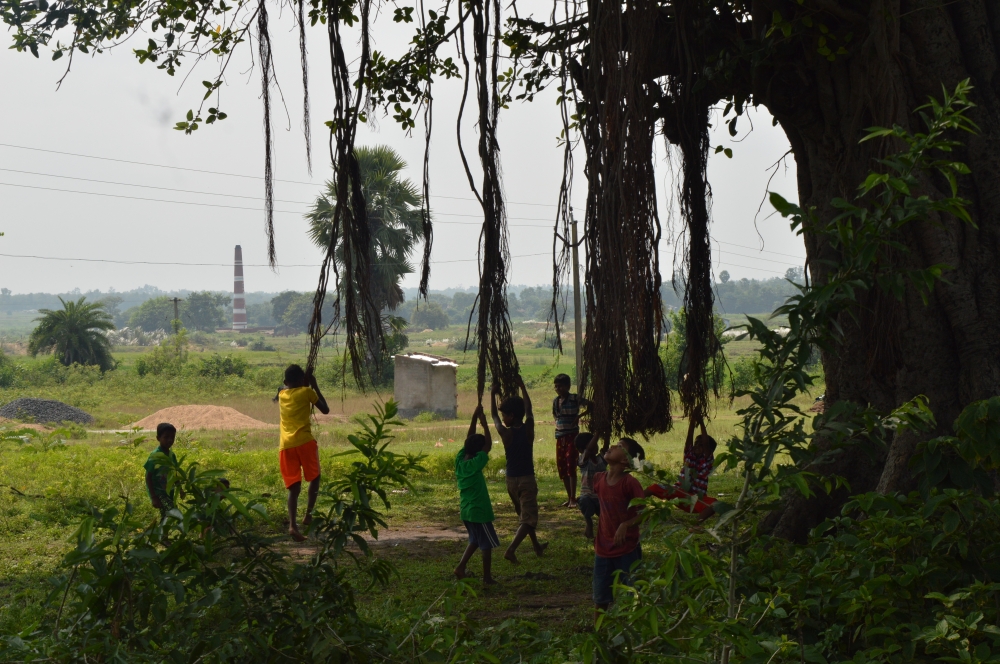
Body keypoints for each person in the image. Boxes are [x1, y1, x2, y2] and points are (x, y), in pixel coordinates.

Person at [492, 376, 547, 564]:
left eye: (505, 415)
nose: (503, 419)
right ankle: (511, 550)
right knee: (528, 518)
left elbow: (493, 417)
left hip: (510, 481)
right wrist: (523, 387)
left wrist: (492, 395)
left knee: (524, 516)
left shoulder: (505, 434)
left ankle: (536, 545)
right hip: (526, 480)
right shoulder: (528, 429)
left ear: (511, 416)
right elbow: (529, 410)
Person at [276, 364, 330, 541]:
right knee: (315, 478)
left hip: (285, 446)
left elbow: (285, 388)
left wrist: (302, 382)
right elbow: (325, 409)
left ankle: (292, 525)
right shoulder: (307, 392)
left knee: (294, 487)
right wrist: (314, 385)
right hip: (305, 442)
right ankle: (308, 515)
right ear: (303, 381)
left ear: (285, 382)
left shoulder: (281, 394)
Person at [592, 442, 645, 619]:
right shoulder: (599, 479)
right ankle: (598, 635)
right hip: (603, 549)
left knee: (635, 594)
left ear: (625, 461)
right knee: (600, 598)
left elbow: (645, 513)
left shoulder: (630, 483)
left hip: (626, 549)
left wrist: (626, 524)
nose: (613, 445)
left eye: (620, 446)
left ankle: (637, 630)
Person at [454, 404, 499, 585]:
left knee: (474, 540)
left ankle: (460, 567)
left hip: (466, 511)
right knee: (486, 544)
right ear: (479, 450)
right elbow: (487, 445)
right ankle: (487, 577)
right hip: (479, 511)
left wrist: (474, 418)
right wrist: (485, 423)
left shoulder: (460, 461)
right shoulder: (477, 463)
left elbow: (468, 440)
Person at [645, 417, 718, 521]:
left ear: (709, 450)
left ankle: (697, 525)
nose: (697, 446)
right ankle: (631, 506)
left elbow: (706, 443)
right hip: (679, 493)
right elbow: (689, 438)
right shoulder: (689, 456)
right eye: (696, 443)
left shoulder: (707, 461)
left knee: (714, 504)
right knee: (653, 488)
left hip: (695, 499)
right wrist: (692, 421)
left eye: (700, 445)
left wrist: (701, 422)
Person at [552, 374, 591, 508]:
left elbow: (591, 405)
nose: (558, 389)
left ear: (568, 386)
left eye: (561, 386)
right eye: (556, 386)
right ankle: (569, 498)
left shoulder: (575, 398)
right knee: (562, 466)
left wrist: (579, 416)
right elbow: (556, 416)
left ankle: (573, 498)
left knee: (571, 465)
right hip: (560, 437)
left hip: (572, 437)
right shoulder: (556, 401)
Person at [145, 422, 178, 521]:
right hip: (159, 492)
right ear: (158, 438)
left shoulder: (172, 455)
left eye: (172, 437)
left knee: (165, 517)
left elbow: (175, 472)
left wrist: (180, 489)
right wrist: (154, 497)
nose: (170, 440)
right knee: (174, 512)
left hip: (169, 491)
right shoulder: (155, 455)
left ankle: (163, 536)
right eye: (166, 437)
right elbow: (148, 476)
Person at [575, 431, 606, 540]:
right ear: (581, 450)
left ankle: (603, 532)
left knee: (605, 516)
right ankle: (589, 524)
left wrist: (605, 431)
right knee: (584, 502)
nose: (594, 447)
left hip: (601, 496)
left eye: (595, 445)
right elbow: (588, 450)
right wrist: (597, 433)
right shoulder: (582, 460)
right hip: (587, 495)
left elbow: (605, 446)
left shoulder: (601, 459)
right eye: (592, 445)